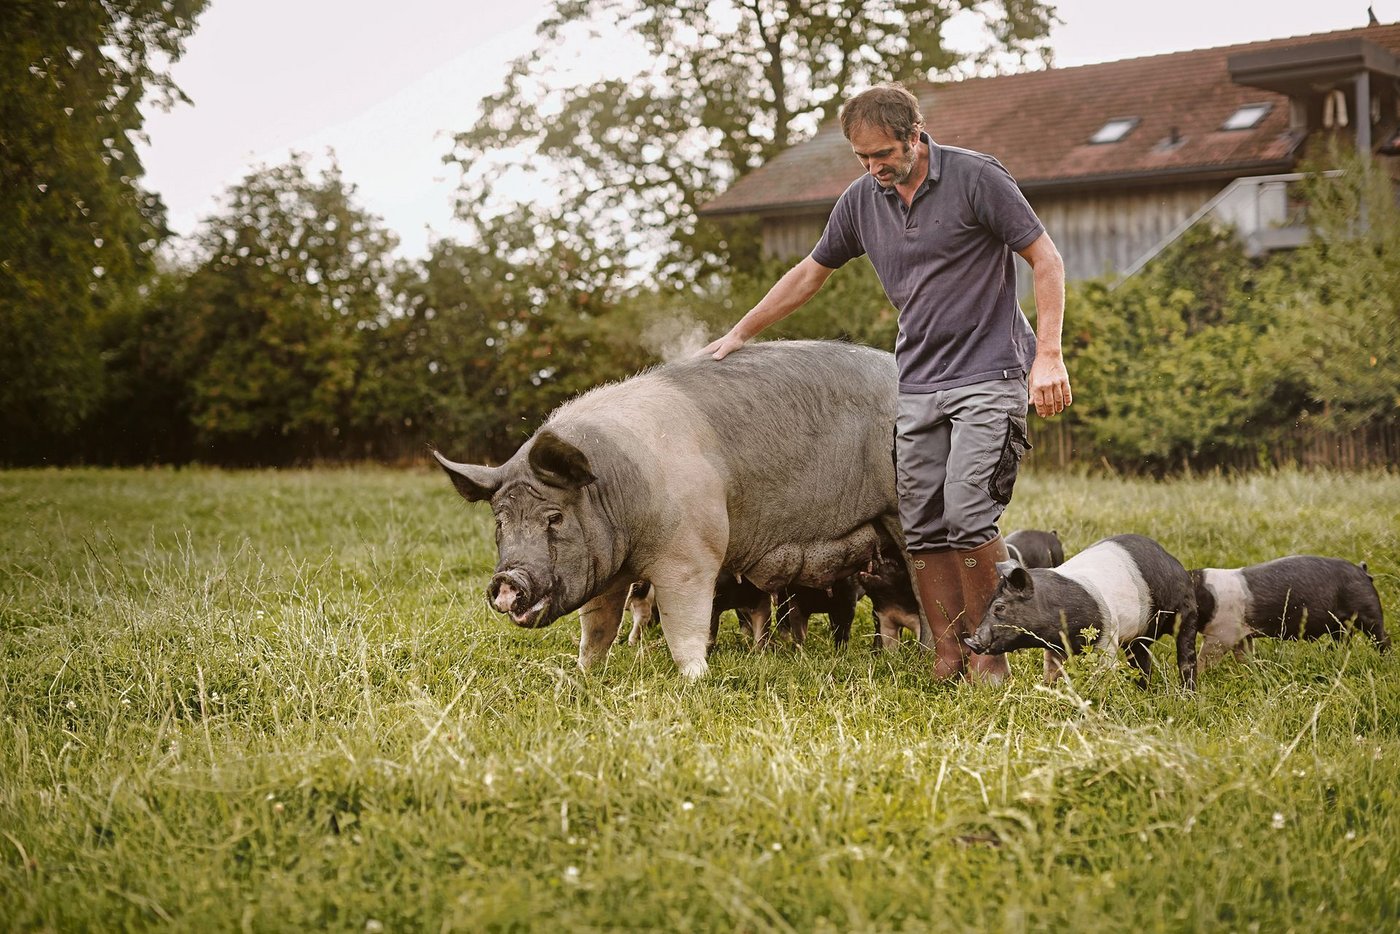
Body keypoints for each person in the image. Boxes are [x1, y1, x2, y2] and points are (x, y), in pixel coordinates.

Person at [701, 83, 1071, 683]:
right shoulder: (860, 201)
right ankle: (948, 655)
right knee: (922, 524)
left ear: (913, 136)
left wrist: (1048, 356)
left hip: (990, 371)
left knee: (970, 516)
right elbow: (808, 273)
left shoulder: (978, 179)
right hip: (917, 381)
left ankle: (990, 654)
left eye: (882, 155)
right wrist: (741, 332)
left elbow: (1046, 259)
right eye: (861, 158)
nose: (873, 168)